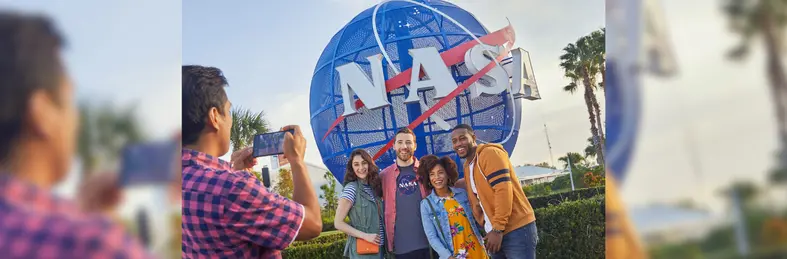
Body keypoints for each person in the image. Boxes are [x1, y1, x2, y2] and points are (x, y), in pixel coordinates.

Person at [0, 11, 150, 258]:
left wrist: (81, 212)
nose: (75, 119)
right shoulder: (93, 244)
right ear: (43, 112)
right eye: (70, 97)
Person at [181, 65, 322, 258]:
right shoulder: (232, 189)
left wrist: (236, 172)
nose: (230, 121)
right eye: (228, 112)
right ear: (214, 116)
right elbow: (312, 224)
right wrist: (297, 160)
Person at [451, 124, 538, 259]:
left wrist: (498, 229)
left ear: (474, 137)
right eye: (454, 141)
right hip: (493, 232)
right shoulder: (468, 166)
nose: (458, 144)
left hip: (515, 229)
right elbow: (474, 184)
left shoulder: (490, 153)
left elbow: (503, 191)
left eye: (462, 138)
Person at [418, 155, 489, 259]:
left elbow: (477, 219)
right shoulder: (426, 205)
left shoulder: (463, 194)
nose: (437, 177)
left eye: (440, 172)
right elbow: (432, 237)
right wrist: (448, 256)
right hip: (454, 255)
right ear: (428, 178)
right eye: (432, 174)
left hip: (477, 250)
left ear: (447, 174)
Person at [380, 127, 435, 258]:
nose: (404, 146)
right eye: (400, 142)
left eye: (409, 142)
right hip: (401, 249)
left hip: (431, 244)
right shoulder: (384, 176)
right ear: (393, 146)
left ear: (415, 146)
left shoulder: (426, 169)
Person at [333, 149, 386, 258]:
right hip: (364, 251)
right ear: (352, 168)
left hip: (380, 249)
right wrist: (365, 236)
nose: (361, 168)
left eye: (364, 163)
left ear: (369, 164)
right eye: (356, 164)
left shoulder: (374, 189)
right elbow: (338, 223)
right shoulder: (351, 189)